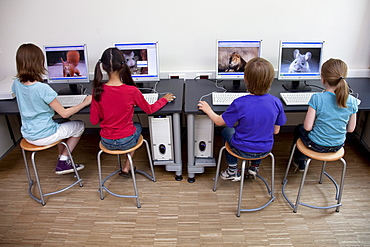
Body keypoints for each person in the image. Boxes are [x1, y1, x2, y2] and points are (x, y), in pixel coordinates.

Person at [90, 47, 175, 177]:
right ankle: (127, 166)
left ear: (103, 67)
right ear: (123, 66)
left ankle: (126, 166)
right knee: (137, 126)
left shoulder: (97, 90)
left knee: (128, 128)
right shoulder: (131, 91)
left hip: (106, 141)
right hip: (126, 141)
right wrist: (163, 99)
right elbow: (150, 109)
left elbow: (94, 121)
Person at [198, 57, 286, 181]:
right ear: (271, 80)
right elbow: (276, 131)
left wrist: (208, 109)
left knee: (226, 131)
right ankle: (254, 167)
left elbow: (218, 121)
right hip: (265, 150)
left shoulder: (240, 103)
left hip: (242, 149)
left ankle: (233, 170)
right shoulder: (276, 102)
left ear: (245, 79)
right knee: (262, 133)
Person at [12, 43, 92, 175]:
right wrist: (85, 102)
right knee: (79, 125)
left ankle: (61, 157)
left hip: (28, 134)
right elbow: (65, 113)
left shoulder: (16, 83)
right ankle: (63, 162)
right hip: (44, 134)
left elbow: (26, 96)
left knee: (61, 122)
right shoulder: (42, 88)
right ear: (38, 62)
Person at [292, 58, 358, 171]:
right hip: (337, 146)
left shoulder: (317, 98)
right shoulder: (352, 101)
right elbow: (351, 129)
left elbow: (307, 127)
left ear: (322, 79)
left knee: (299, 128)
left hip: (316, 145)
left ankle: (299, 161)